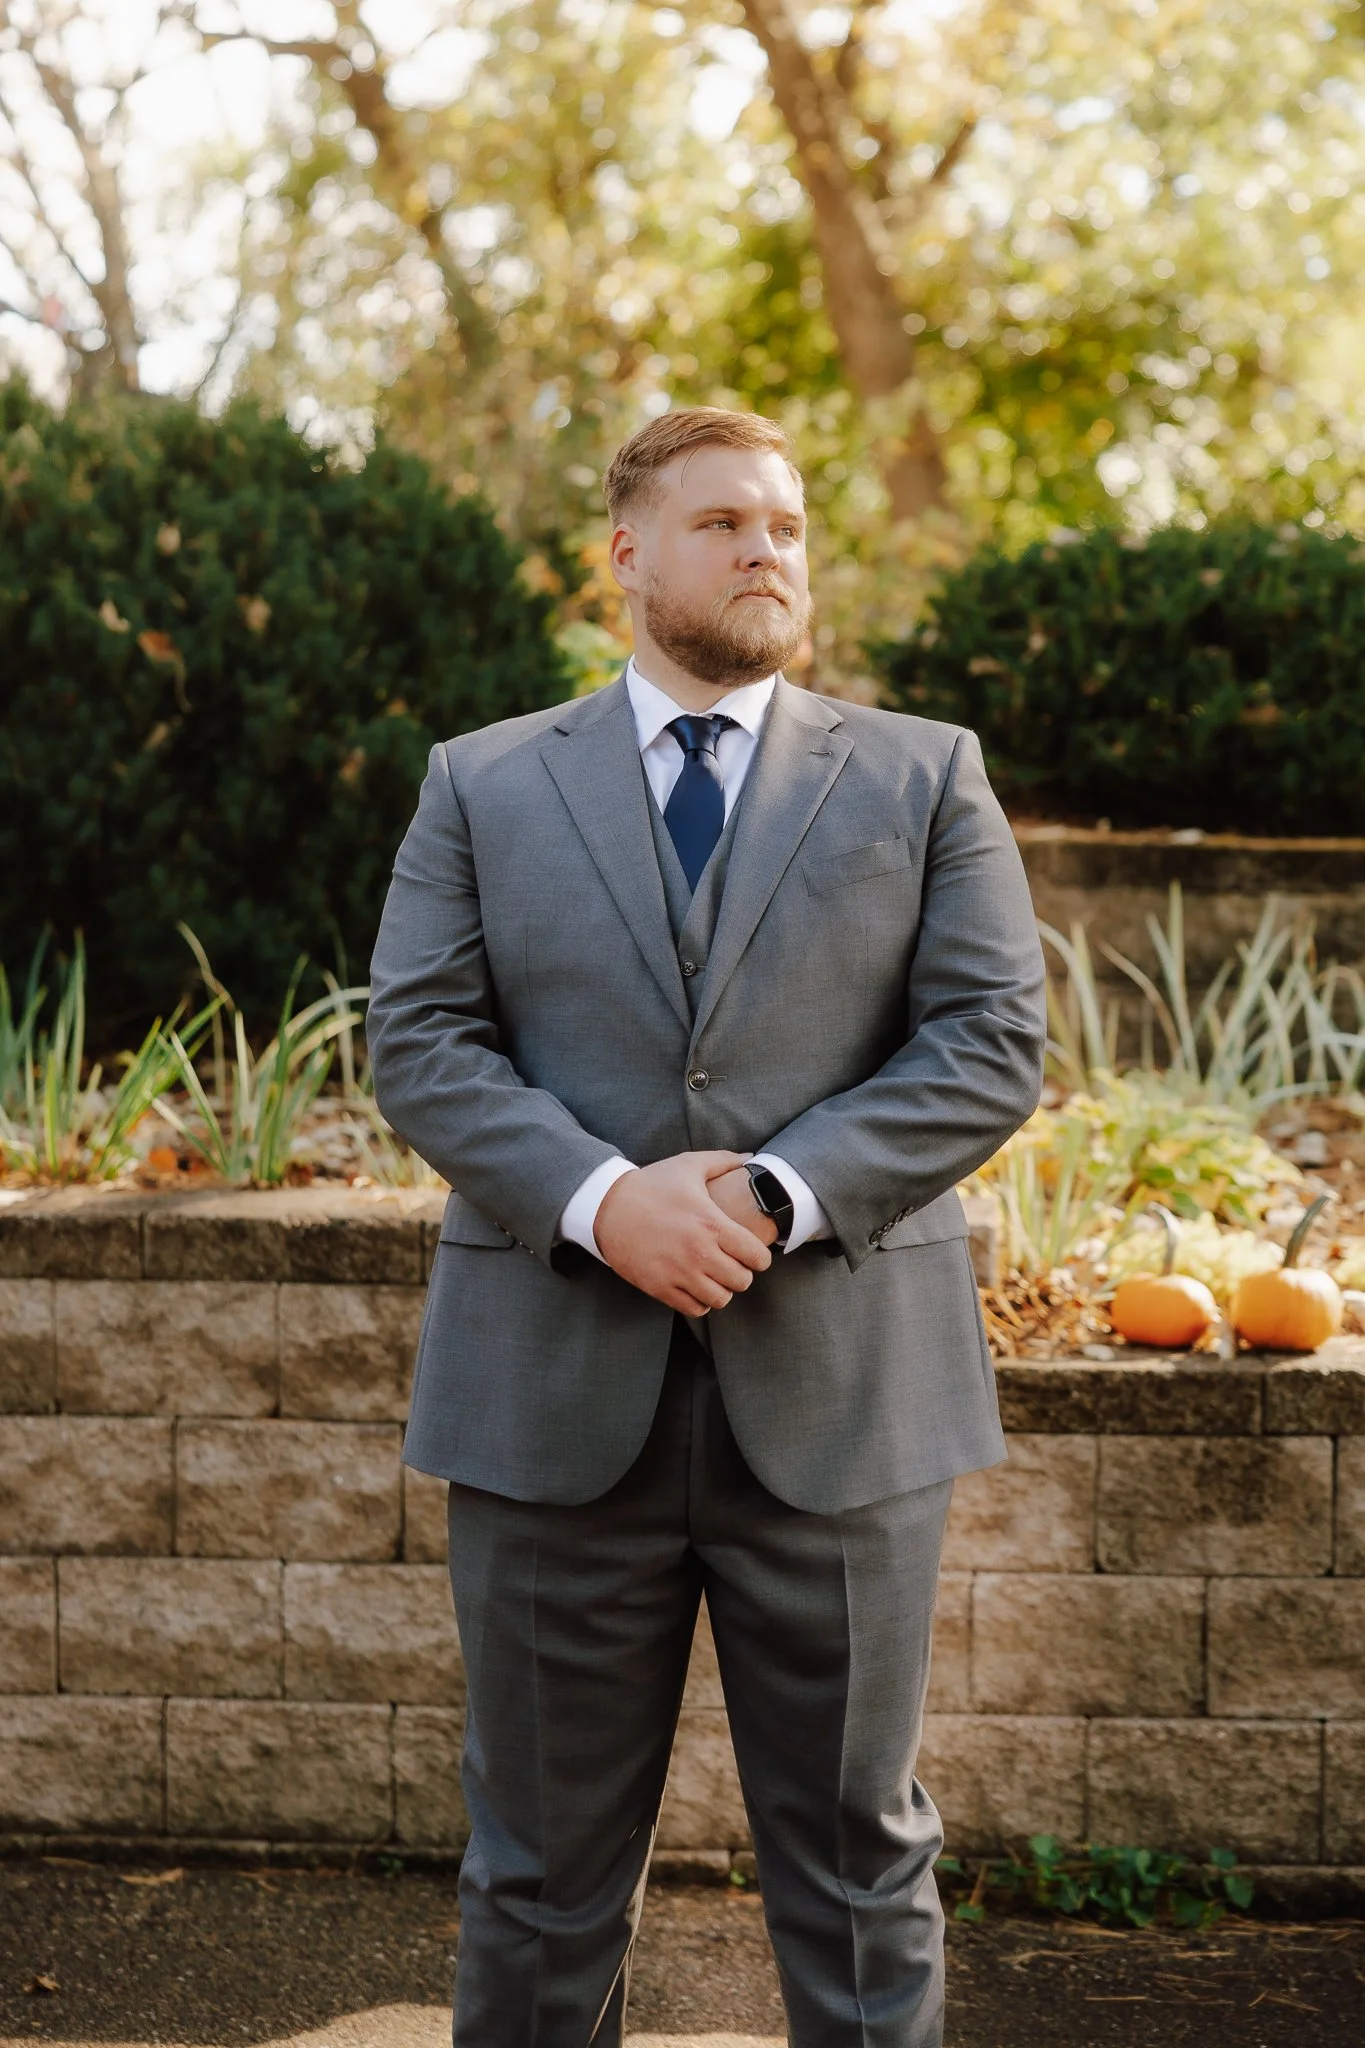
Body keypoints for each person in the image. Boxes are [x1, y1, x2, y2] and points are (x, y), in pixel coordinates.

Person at [366, 406, 1046, 2047]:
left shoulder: (922, 774)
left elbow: (991, 1043)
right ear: (626, 551)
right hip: (549, 1411)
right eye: (725, 522)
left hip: (842, 1408)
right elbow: (420, 1041)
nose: (765, 551)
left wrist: (769, 1193)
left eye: (788, 528)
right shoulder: (481, 784)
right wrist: (604, 1204)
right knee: (534, 1882)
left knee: (861, 1865)